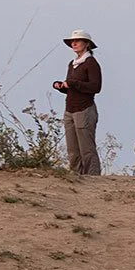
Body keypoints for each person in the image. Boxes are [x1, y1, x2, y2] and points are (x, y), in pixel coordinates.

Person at [53, 29, 103, 176]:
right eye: (72, 42)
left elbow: (96, 87)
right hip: (70, 109)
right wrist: (61, 87)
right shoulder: (72, 64)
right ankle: (76, 177)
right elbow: (74, 88)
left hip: (84, 109)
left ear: (86, 44)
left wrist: (73, 83)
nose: (74, 44)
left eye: (77, 41)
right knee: (72, 149)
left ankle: (93, 177)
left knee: (86, 148)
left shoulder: (91, 63)